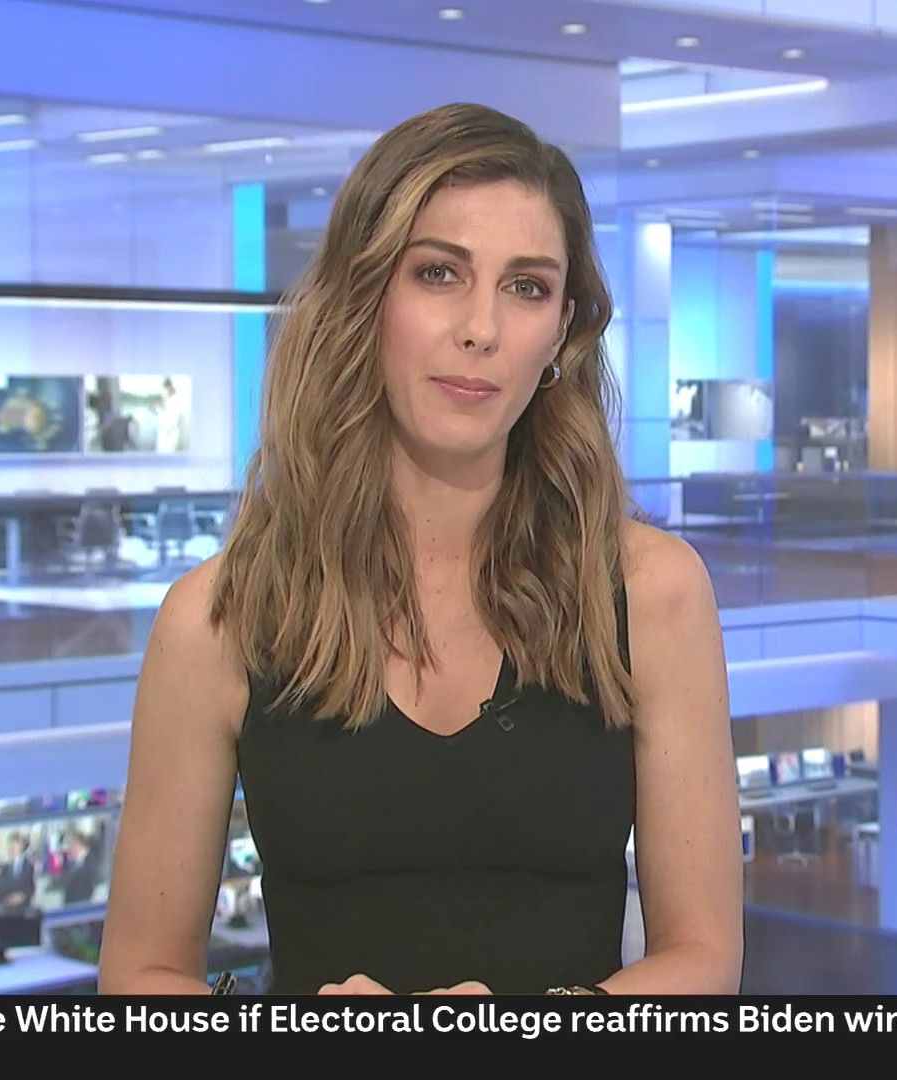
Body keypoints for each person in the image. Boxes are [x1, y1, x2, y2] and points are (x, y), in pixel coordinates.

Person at [96, 103, 743, 997]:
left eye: (526, 287)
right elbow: (140, 974)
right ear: (366, 298)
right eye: (439, 273)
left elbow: (705, 957)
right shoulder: (217, 620)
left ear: (561, 332)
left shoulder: (654, 593)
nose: (481, 328)